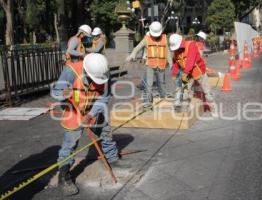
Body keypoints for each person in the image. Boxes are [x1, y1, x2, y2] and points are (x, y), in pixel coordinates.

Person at [52, 53, 127, 196]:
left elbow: (103, 98)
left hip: (93, 107)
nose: (97, 82)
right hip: (74, 110)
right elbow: (56, 91)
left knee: (105, 132)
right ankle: (64, 175)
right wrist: (63, 94)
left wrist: (90, 115)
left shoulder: (104, 73)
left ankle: (112, 158)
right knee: (70, 143)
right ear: (86, 71)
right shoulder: (71, 71)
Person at [126, 21, 173, 109]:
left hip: (161, 65)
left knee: (162, 83)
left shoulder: (164, 38)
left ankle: (163, 98)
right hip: (150, 65)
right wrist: (133, 54)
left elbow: (167, 51)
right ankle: (147, 102)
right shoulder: (146, 39)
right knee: (149, 84)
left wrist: (170, 62)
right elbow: (137, 48)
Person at [169, 33, 208, 110]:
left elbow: (191, 61)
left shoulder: (191, 45)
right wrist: (174, 74)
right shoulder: (176, 51)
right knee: (185, 89)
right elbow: (176, 63)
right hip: (188, 73)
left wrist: (185, 73)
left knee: (206, 89)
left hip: (198, 71)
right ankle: (184, 106)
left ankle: (210, 106)